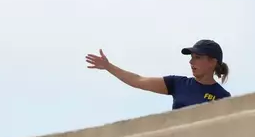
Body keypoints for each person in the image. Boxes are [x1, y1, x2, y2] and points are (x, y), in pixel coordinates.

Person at [85, 39, 231, 110]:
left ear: (212, 62)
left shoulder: (222, 96)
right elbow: (139, 80)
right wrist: (108, 66)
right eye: (191, 57)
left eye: (197, 58)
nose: (191, 62)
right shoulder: (178, 84)